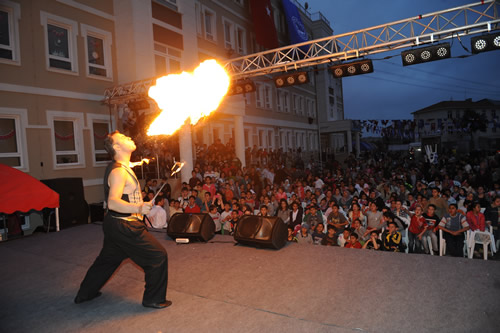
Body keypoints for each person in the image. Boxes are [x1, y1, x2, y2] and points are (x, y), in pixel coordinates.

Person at [75, 131, 171, 309]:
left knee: (107, 261)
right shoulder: (119, 171)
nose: (129, 137)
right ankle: (153, 299)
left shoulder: (123, 167)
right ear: (117, 147)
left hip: (115, 225)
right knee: (157, 256)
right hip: (125, 226)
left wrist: (140, 204)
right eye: (123, 138)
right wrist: (138, 208)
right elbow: (112, 202)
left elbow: (125, 197)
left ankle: (85, 294)